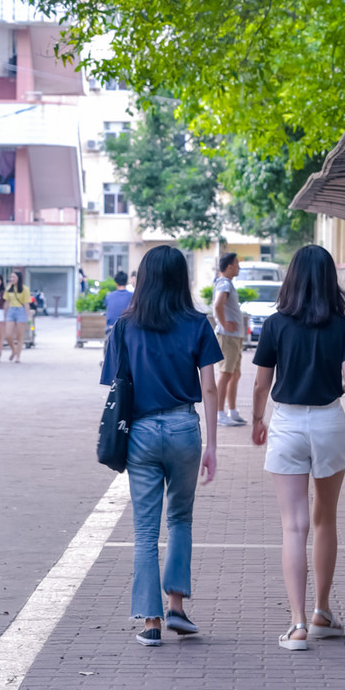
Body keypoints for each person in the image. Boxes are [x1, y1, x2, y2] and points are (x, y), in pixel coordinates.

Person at [100, 244, 219, 645]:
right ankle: (177, 609)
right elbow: (210, 387)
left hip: (142, 433)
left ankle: (151, 624)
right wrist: (213, 445)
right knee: (180, 519)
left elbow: (116, 385)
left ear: (144, 279)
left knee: (145, 531)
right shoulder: (198, 324)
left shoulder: (125, 326)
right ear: (180, 279)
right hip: (185, 428)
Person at [251, 244, 345, 650]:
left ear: (292, 277)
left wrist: (258, 420)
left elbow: (262, 382)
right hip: (329, 422)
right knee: (324, 520)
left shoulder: (276, 324)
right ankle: (322, 612)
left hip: (288, 423)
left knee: (292, 526)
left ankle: (296, 626)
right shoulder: (342, 326)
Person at [213, 252, 246, 427]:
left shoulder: (227, 283)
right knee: (226, 374)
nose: (238, 267)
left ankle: (232, 411)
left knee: (235, 374)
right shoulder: (224, 283)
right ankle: (220, 413)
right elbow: (218, 305)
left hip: (234, 337)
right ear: (230, 266)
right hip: (228, 337)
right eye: (237, 263)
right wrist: (224, 324)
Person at [4, 269, 30, 363]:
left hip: (20, 311)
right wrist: (5, 314)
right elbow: (6, 302)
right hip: (11, 310)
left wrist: (28, 317)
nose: (12, 279)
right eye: (11, 277)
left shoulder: (24, 289)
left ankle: (18, 356)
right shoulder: (8, 288)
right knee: (8, 334)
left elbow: (26, 304)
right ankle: (14, 350)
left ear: (19, 278)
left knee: (19, 335)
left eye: (14, 277)